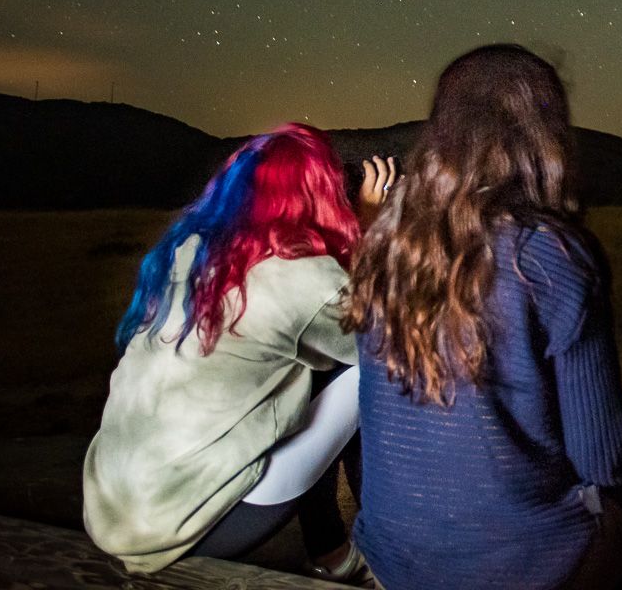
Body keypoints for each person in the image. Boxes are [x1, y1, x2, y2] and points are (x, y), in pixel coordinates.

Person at [346, 44, 622, 590]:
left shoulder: (384, 247)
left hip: (394, 558)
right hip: (521, 569)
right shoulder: (546, 256)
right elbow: (601, 463)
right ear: (543, 135)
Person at [83, 122, 393, 580]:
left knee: (315, 376)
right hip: (199, 524)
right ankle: (384, 556)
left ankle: (330, 552)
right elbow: (383, 338)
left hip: (113, 511)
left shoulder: (188, 251)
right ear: (317, 196)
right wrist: (371, 231)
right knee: (377, 365)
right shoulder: (302, 277)